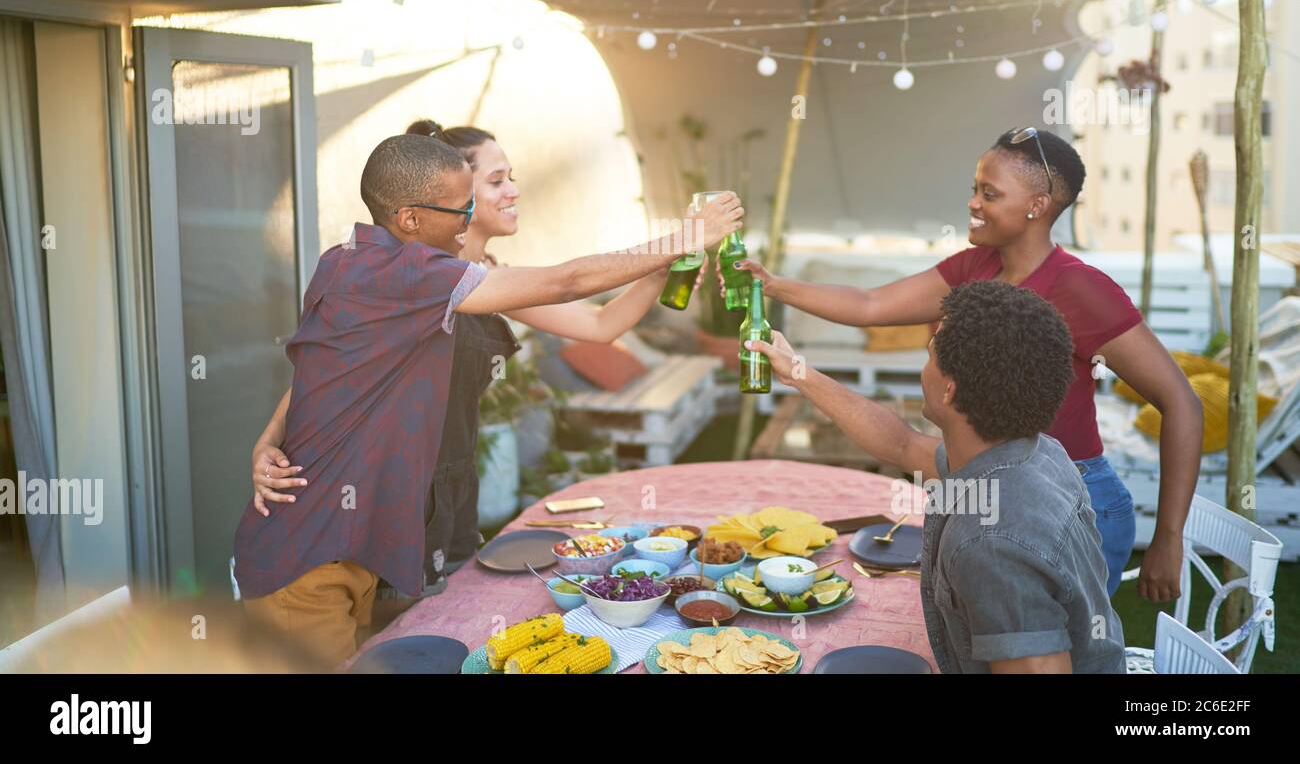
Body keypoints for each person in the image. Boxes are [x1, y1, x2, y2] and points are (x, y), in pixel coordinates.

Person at [233, 133, 742, 664]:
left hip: (376, 537)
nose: (474, 212)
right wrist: (682, 237)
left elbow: (325, 367)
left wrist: (657, 267)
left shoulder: (374, 263)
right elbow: (567, 281)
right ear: (410, 217)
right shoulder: (404, 272)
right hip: (315, 545)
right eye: (468, 201)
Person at [730, 128, 1202, 600]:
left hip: (1071, 498)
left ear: (1037, 205)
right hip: (986, 481)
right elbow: (870, 304)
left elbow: (1180, 401)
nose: (973, 203)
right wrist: (771, 285)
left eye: (989, 193)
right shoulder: (977, 265)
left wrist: (1168, 537)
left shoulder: (1080, 290)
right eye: (974, 189)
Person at [747, 280, 1126, 673]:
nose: (923, 367)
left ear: (948, 389)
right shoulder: (1031, 453)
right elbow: (901, 445)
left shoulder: (992, 544)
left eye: (930, 356)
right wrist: (797, 373)